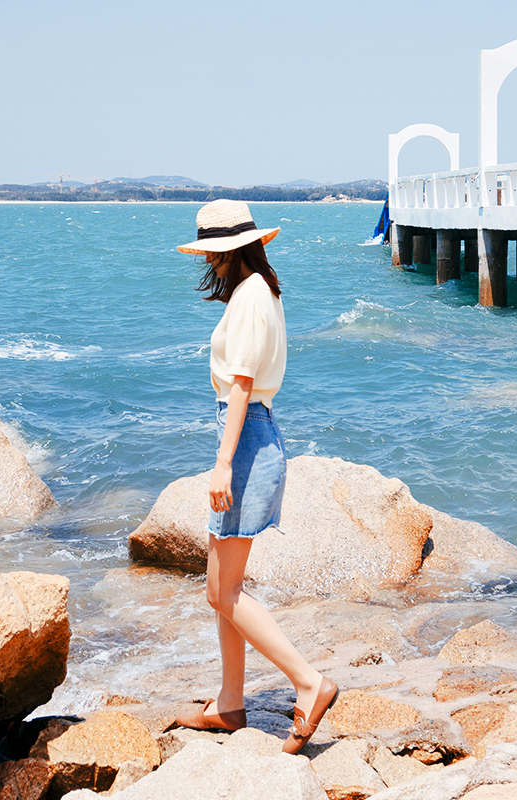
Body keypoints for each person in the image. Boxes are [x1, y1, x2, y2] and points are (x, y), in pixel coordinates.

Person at [174, 199, 338, 754]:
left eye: (211, 255)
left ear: (224, 254)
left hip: (245, 440)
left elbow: (241, 384)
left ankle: (310, 683)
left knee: (223, 591)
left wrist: (222, 463)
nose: (209, 265)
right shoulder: (262, 291)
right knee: (220, 590)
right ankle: (229, 703)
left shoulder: (249, 298)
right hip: (252, 435)